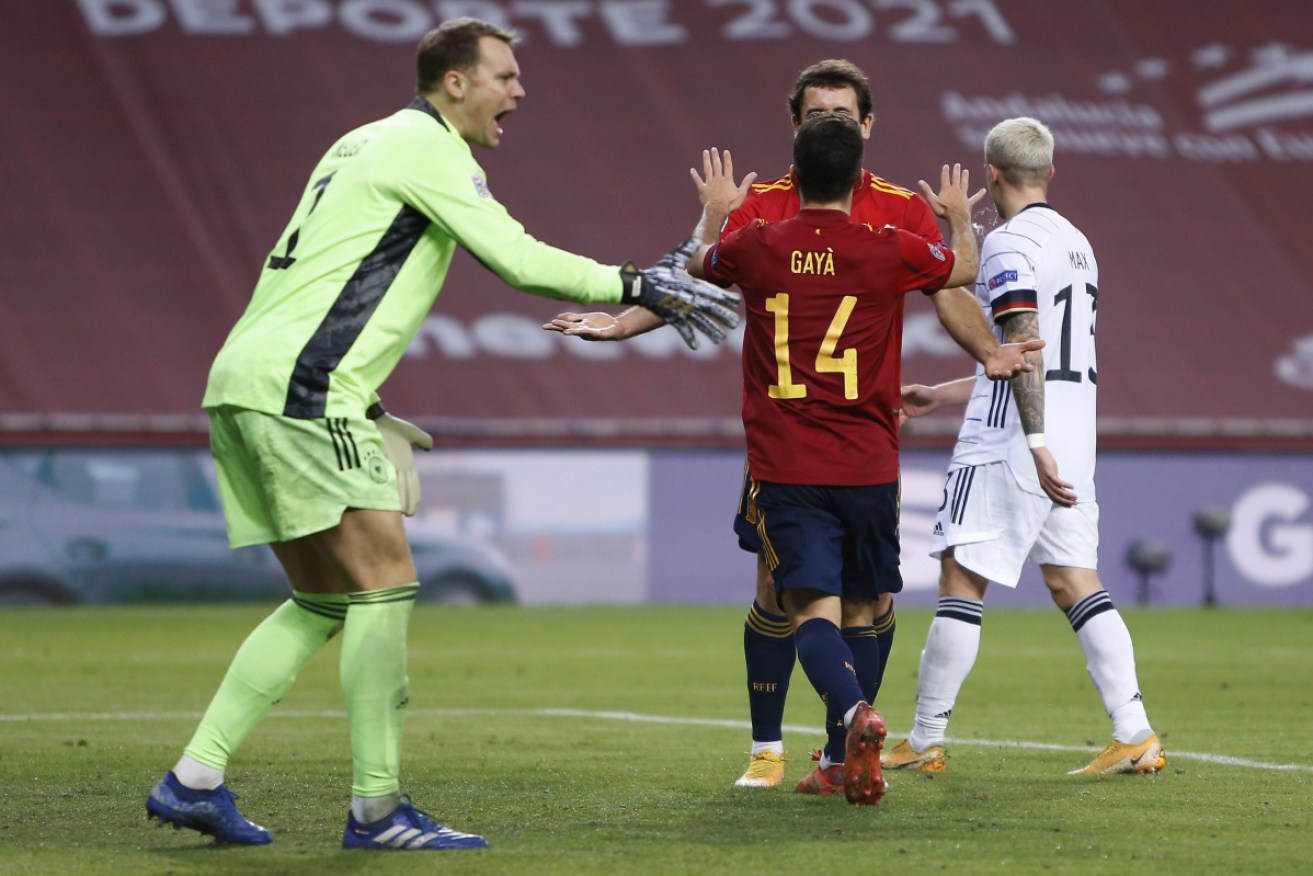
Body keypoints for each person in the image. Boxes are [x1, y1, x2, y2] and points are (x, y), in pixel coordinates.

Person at [143, 17, 738, 852]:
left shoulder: (362, 142)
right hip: (306, 390)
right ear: (453, 81)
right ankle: (377, 810)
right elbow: (517, 258)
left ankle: (194, 778)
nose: (518, 91)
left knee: (325, 597)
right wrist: (637, 283)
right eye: (504, 75)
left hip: (247, 379)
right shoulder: (428, 149)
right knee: (385, 582)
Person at [544, 60, 1002, 791]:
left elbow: (698, 260)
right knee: (775, 587)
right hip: (814, 445)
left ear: (866, 125)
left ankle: (837, 745)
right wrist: (624, 323)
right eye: (819, 111)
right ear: (795, 124)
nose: (832, 121)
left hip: (823, 441)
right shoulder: (770, 205)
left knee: (859, 599)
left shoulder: (849, 213)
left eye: (844, 114)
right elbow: (683, 278)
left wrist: (988, 352)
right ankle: (768, 746)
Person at [685, 114, 1041, 804]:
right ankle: (847, 752)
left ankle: (853, 719)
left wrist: (714, 214)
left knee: (808, 611)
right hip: (870, 465)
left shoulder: (755, 243)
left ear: (795, 173)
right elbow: (962, 270)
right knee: (864, 609)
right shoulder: (887, 245)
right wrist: (954, 220)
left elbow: (700, 265)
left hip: (787, 463)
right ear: (856, 179)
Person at [883, 116, 1166, 776]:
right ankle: (1134, 732)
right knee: (1073, 581)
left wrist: (1031, 442)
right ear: (1049, 174)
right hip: (1071, 432)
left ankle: (924, 740)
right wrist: (947, 393)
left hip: (1016, 437)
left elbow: (1021, 337)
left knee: (959, 574)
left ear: (990, 175)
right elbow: (1030, 355)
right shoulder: (1077, 243)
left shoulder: (1007, 246)